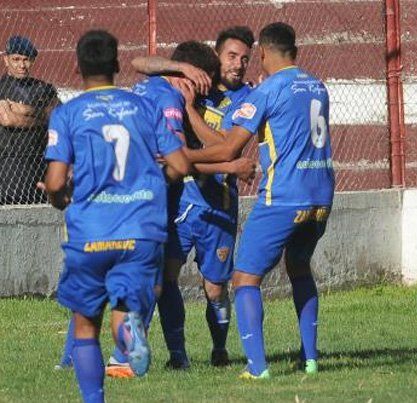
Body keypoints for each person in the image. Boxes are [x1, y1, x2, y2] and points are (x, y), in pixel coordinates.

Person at [43, 30, 190, 402]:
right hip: (141, 230)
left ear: (77, 68)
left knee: (85, 325)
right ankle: (128, 331)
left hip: (92, 231)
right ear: (118, 64)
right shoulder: (144, 106)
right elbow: (180, 164)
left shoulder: (68, 114)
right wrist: (154, 180)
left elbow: (56, 181)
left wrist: (60, 198)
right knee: (126, 303)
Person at [183, 22, 335, 379]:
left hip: (282, 197)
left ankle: (257, 368)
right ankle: (310, 359)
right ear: (294, 51)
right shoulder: (317, 85)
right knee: (299, 268)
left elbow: (228, 148)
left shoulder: (267, 90)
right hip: (321, 196)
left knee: (244, 279)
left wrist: (181, 156)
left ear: (263, 53)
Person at [129, 27, 255, 369]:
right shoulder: (195, 83)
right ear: (216, 57)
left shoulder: (247, 99)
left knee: (215, 287)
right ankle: (177, 354)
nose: (238, 64)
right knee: (166, 277)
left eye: (245, 58)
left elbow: (225, 146)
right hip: (182, 201)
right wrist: (181, 67)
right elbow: (139, 62)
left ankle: (219, 349)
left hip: (219, 204)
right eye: (231, 56)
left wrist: (189, 115)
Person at [0, 35, 59, 204]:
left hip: (39, 161)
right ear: (6, 60)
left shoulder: (44, 88)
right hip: (10, 162)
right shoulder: (1, 87)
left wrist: (24, 110)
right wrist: (42, 118)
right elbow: (8, 119)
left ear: (32, 61)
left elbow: (57, 117)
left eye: (26, 60)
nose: (21, 65)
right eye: (16, 59)